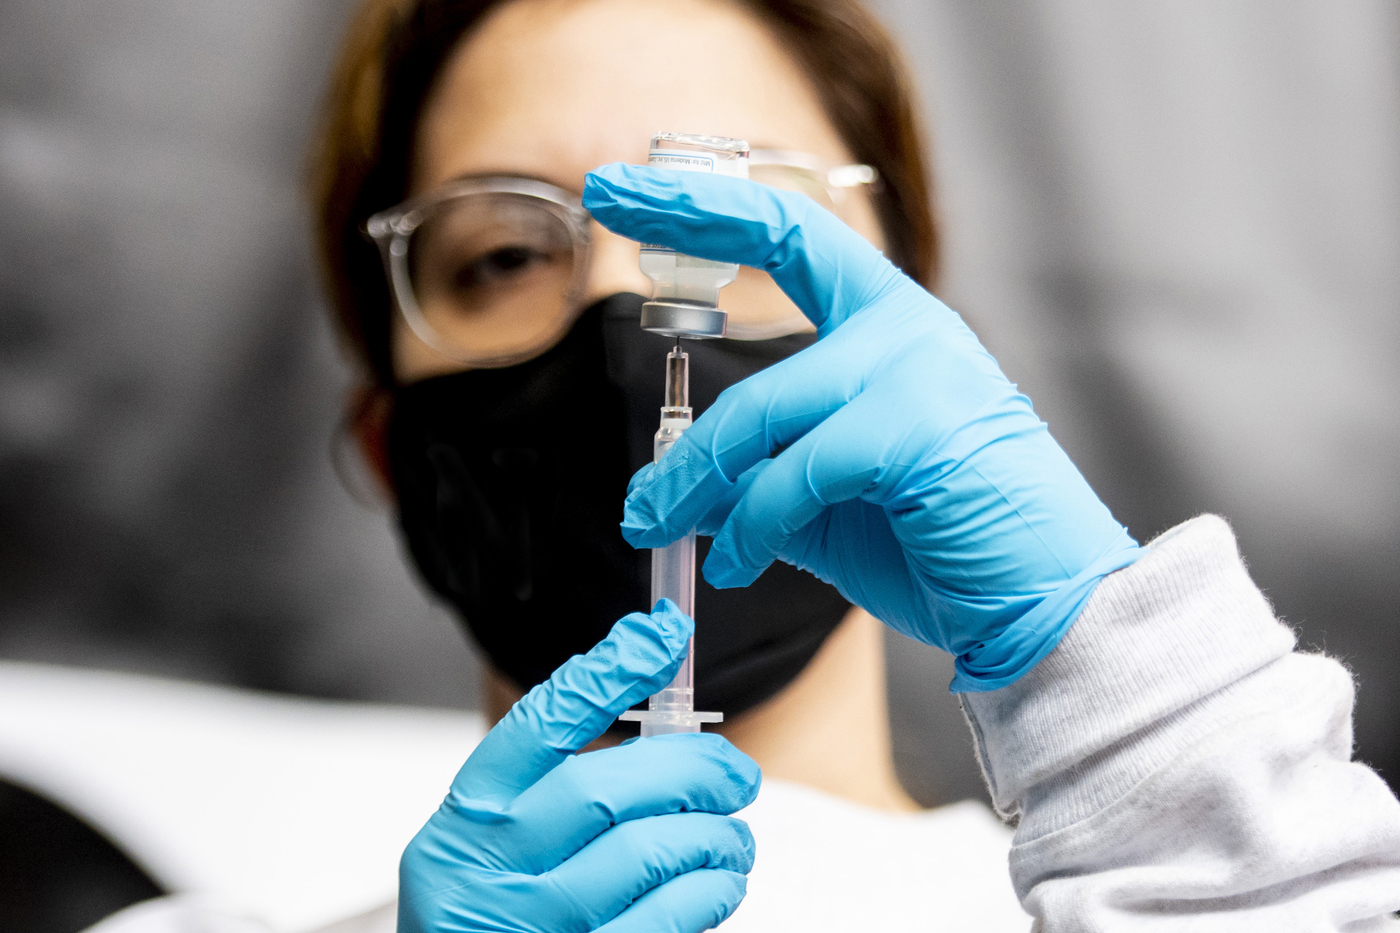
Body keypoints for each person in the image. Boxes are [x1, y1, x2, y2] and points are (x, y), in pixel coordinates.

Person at [308, 0, 1400, 930]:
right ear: (387, 446)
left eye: (740, 225)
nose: (622, 306)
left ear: (928, 354)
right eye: (501, 254)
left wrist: (1134, 719)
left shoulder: (1129, 898)